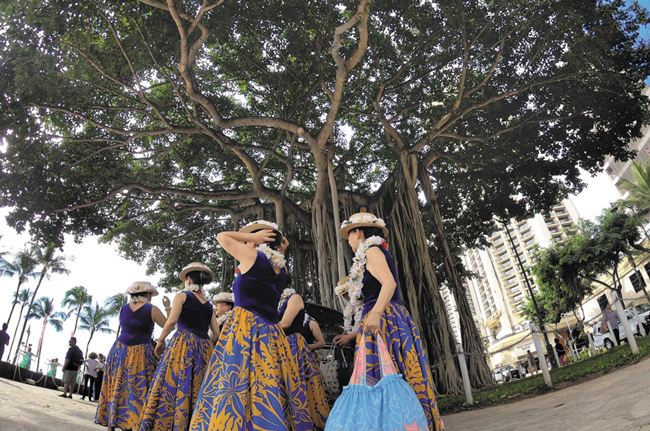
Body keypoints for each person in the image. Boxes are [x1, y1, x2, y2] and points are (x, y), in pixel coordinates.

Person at [189, 220, 313, 431]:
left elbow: (222, 236)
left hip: (245, 328)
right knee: (268, 380)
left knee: (237, 380)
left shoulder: (253, 257)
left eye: (249, 238)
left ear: (257, 240)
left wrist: (252, 239)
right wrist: (280, 246)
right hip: (271, 333)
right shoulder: (280, 269)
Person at [335, 208, 443, 431]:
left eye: (349, 236)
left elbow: (389, 284)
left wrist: (374, 314)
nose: (349, 242)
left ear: (358, 233)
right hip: (383, 319)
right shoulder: (371, 252)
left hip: (385, 321)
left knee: (392, 373)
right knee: (383, 377)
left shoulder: (372, 250)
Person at [139, 262, 220, 431]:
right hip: (205, 348)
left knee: (173, 383)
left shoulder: (182, 295)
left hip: (184, 344)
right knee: (198, 388)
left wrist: (161, 340)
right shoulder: (209, 305)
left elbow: (172, 321)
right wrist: (206, 346)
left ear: (189, 279)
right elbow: (217, 334)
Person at [95, 281, 167, 431]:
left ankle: (112, 424)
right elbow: (168, 325)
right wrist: (168, 308)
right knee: (137, 389)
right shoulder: (151, 309)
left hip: (120, 350)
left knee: (117, 386)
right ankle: (133, 423)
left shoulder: (123, 308)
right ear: (147, 295)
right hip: (141, 352)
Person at [278, 289, 330, 430]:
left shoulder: (295, 299)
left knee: (299, 384)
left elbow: (285, 323)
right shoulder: (274, 302)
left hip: (295, 349)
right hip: (280, 348)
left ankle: (306, 420)